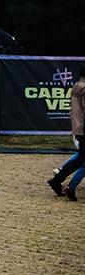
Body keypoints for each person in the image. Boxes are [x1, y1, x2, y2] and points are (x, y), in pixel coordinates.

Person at [47, 68, 85, 201]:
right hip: (83, 128)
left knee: (81, 157)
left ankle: (59, 178)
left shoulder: (76, 86)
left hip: (78, 128)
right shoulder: (84, 88)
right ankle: (63, 182)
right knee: (82, 158)